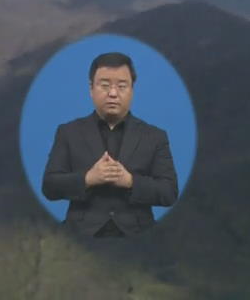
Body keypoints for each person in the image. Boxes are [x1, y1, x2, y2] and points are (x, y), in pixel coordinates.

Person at [41, 51, 179, 237]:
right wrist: (89, 178)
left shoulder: (154, 136)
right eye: (105, 85)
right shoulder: (68, 132)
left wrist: (130, 182)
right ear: (91, 89)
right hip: (79, 236)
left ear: (132, 90)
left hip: (139, 237)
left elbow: (169, 192)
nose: (113, 93)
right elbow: (50, 186)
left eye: (122, 86)